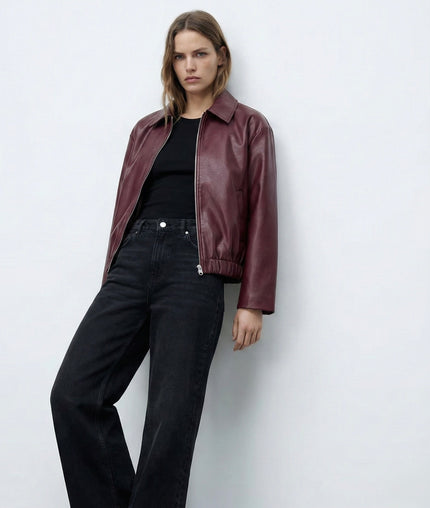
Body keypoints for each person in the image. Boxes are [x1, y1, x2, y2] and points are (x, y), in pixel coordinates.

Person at [50, 9, 277, 508]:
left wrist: (253, 301)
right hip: (133, 262)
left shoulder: (248, 127)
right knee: (73, 394)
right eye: (179, 57)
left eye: (200, 54)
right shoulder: (148, 129)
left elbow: (262, 211)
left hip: (195, 268)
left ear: (221, 58)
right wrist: (113, 276)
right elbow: (123, 211)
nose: (189, 65)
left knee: (169, 420)